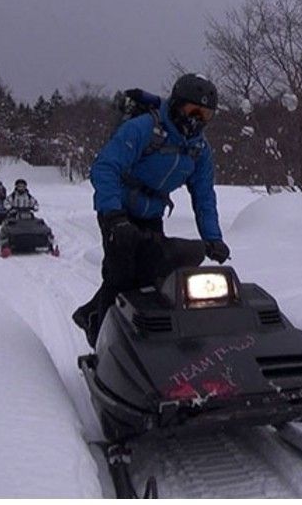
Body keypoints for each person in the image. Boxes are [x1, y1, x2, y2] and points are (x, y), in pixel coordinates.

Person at [72, 73, 231, 348]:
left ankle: (139, 337)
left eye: (206, 115)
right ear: (178, 105)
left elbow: (204, 194)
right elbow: (105, 166)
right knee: (120, 275)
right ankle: (101, 339)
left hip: (151, 213)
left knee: (152, 277)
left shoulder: (199, 149)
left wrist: (213, 238)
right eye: (193, 110)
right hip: (118, 210)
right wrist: (112, 215)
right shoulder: (144, 128)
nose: (197, 120)